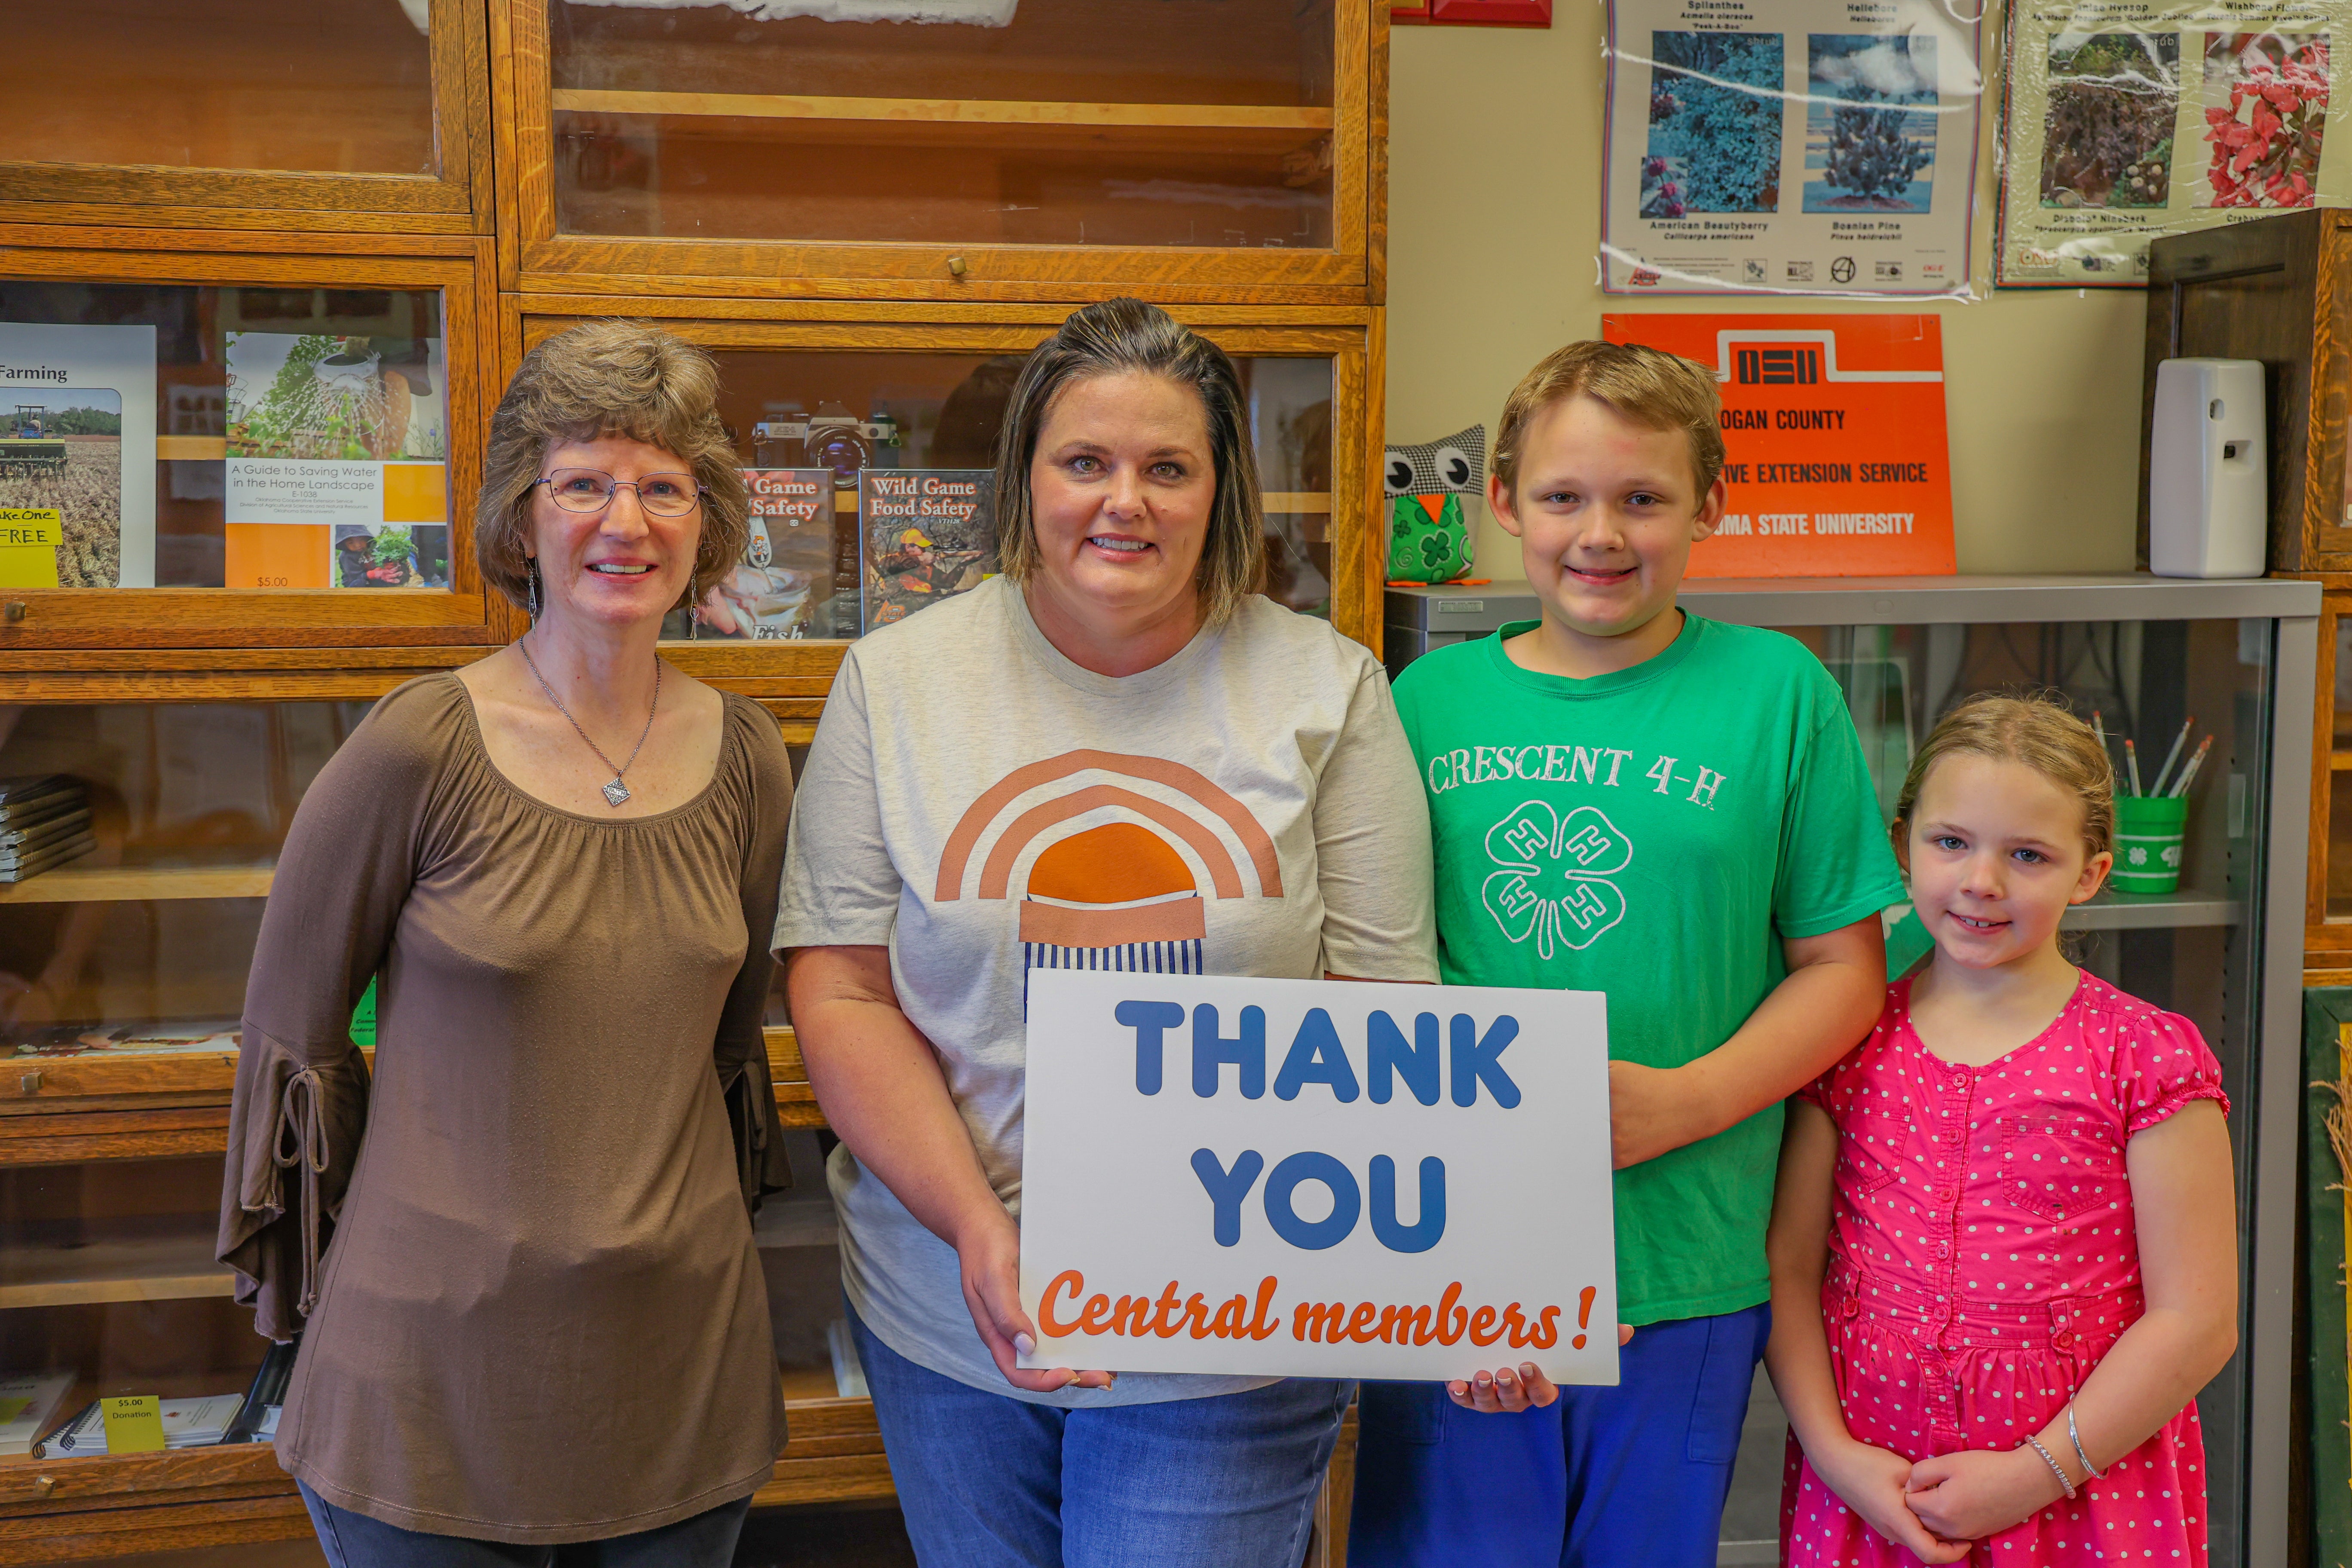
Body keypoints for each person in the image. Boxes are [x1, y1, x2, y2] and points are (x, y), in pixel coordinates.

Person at [775, 296, 1437, 1568]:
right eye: (1085, 461)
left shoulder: (1328, 686)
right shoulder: (898, 678)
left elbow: (1385, 1006)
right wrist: (983, 1235)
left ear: (1219, 490)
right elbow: (846, 992)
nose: (1123, 500)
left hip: (1235, 1322)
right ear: (1026, 479)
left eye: (1167, 467)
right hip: (949, 1308)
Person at [215, 320, 796, 1564]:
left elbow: (730, 1050)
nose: (624, 521)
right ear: (522, 522)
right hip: (429, 1388)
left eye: (663, 487)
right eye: (581, 482)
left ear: (708, 527)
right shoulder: (417, 747)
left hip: (676, 1379)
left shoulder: (749, 757)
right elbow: (294, 1050)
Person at [1353, 340, 1902, 1568]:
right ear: (1502, 504)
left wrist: (1684, 1102)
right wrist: (1467, 1264)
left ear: (1711, 503)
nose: (1601, 533)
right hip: (1453, 1256)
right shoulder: (1424, 702)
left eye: (1644, 499)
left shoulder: (1781, 695)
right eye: (1563, 498)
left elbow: (1844, 972)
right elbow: (1375, 974)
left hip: (1687, 1257)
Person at [1767, 694, 2238, 1565]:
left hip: (2082, 1491)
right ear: (1902, 842)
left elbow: (2198, 1319)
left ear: (2090, 874)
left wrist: (2031, 1475)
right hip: (1876, 1488)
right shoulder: (1844, 1040)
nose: (1981, 882)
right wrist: (1841, 1462)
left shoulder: (2147, 1057)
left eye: (2028, 855)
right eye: (1951, 843)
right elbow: (1790, 1270)